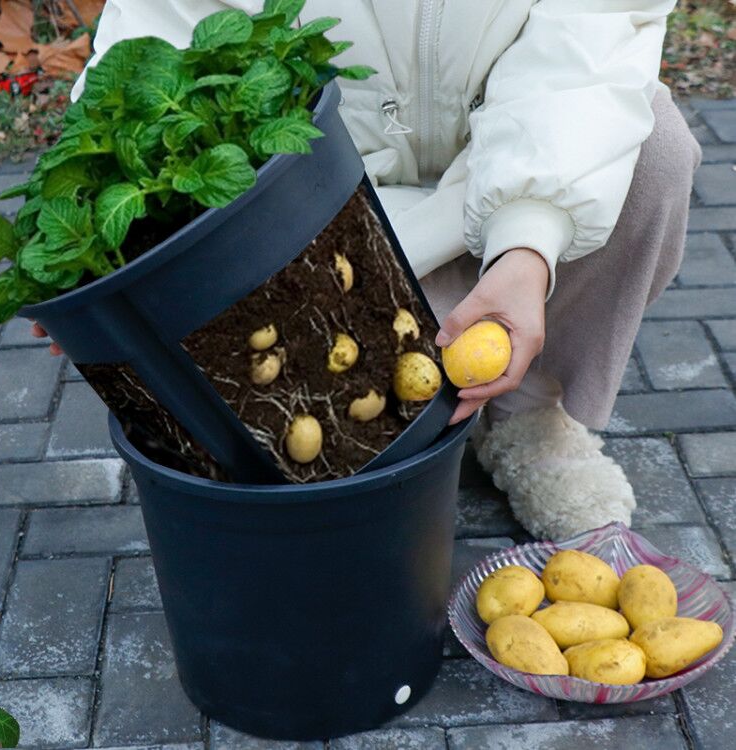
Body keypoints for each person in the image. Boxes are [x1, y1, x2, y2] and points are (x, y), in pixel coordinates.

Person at [35, 0, 702, 541]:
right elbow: (161, 35)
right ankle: (403, 412)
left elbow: (586, 59)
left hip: (500, 182)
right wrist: (95, 258)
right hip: (320, 204)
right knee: (307, 438)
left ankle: (529, 420)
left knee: (654, 153)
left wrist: (528, 244)